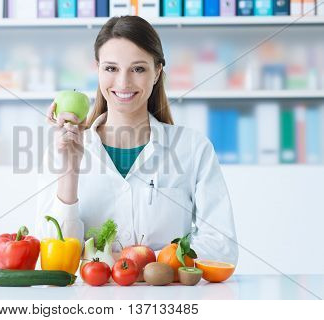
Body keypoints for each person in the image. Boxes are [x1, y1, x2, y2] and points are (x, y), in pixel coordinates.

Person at [35, 15, 238, 265]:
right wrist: (69, 171)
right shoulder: (62, 150)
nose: (123, 82)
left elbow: (221, 248)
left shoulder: (192, 147)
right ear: (97, 69)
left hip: (169, 302)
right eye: (111, 68)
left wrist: (138, 263)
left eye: (138, 69)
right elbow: (55, 260)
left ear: (157, 72)